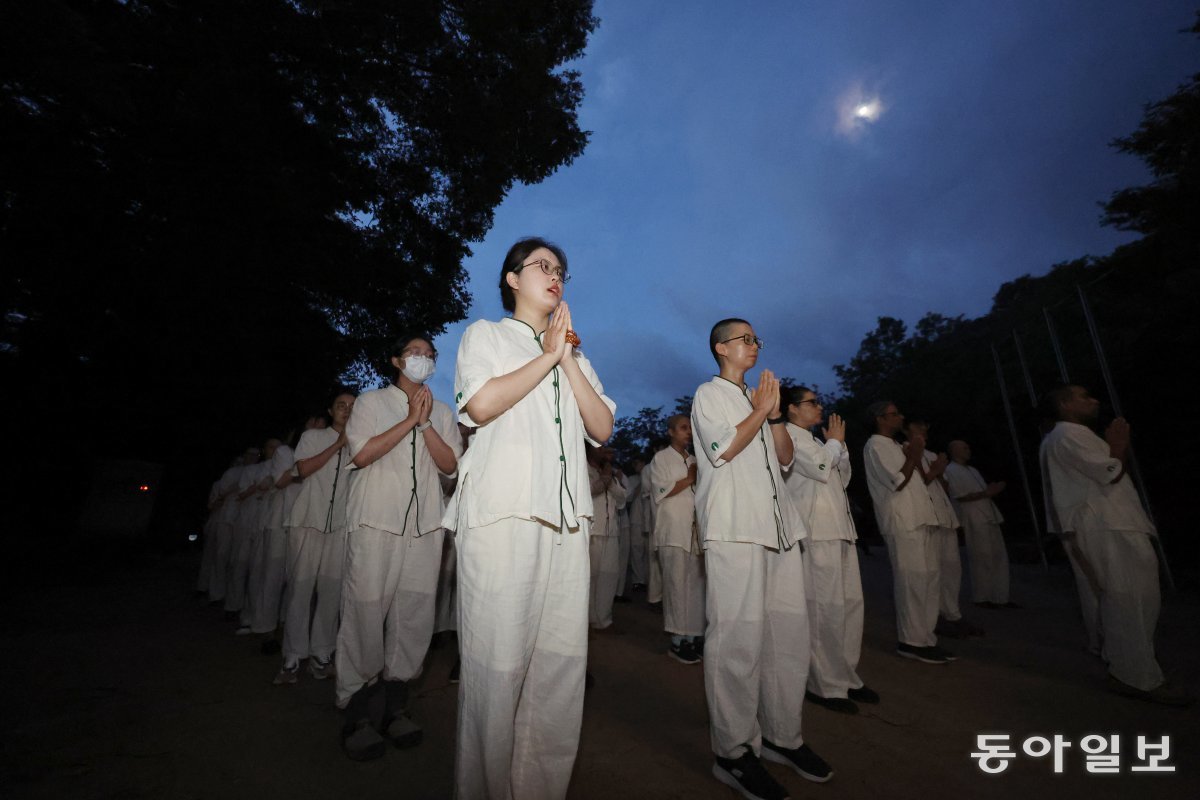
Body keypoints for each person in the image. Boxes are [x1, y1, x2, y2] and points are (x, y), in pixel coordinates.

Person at [443, 237, 615, 799]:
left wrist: (565, 357)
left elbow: (602, 427)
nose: (555, 275)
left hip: (566, 524)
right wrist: (546, 355)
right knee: (496, 674)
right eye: (542, 266)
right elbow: (481, 405)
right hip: (504, 517)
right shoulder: (484, 335)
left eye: (561, 269)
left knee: (558, 678)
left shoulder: (575, 355)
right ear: (512, 279)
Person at [692, 318, 831, 800]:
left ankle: (781, 736)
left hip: (778, 528)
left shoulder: (759, 403)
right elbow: (721, 448)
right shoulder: (708, 394)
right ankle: (732, 752)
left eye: (756, 340)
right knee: (737, 642)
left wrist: (772, 417)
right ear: (720, 348)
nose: (753, 346)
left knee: (789, 637)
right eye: (744, 339)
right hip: (735, 529)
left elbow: (787, 458)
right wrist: (759, 411)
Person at [335, 334, 462, 759]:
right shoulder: (371, 404)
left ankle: (395, 709)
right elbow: (363, 453)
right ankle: (357, 714)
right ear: (395, 360)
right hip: (376, 521)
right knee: (365, 611)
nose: (422, 360)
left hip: (425, 527)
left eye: (429, 355)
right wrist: (409, 419)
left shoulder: (442, 412)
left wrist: (425, 424)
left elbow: (450, 467)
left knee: (414, 615)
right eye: (414, 353)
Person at [1039, 385, 1190, 706]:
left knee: (1132, 597)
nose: (1093, 400)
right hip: (1106, 524)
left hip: (1110, 523)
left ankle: (1124, 664)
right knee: (1130, 597)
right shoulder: (1069, 435)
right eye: (1084, 396)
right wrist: (1118, 446)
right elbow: (1110, 472)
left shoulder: (1069, 435)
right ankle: (1136, 676)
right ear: (1065, 404)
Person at [780, 387, 878, 715]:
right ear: (792, 409)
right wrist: (834, 443)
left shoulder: (817, 441)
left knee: (850, 606)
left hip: (840, 529)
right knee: (825, 610)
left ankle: (846, 675)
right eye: (812, 402)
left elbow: (842, 477)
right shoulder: (788, 437)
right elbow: (822, 469)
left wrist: (838, 446)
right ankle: (823, 684)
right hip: (816, 533)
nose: (819, 407)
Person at [275, 390, 356, 685]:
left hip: (339, 526)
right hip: (307, 521)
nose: (346, 411)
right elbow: (303, 470)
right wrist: (338, 444)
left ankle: (322, 652)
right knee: (300, 588)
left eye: (352, 407)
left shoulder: (361, 445)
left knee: (332, 591)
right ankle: (293, 655)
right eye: (341, 406)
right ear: (330, 410)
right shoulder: (313, 438)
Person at [863, 401, 954, 664]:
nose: (900, 417)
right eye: (894, 414)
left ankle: (927, 638)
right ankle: (911, 641)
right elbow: (897, 482)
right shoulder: (875, 445)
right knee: (912, 582)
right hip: (902, 522)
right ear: (880, 419)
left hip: (920, 518)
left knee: (929, 579)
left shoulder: (894, 445)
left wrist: (919, 460)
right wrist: (914, 455)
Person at [902, 418, 979, 639]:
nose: (924, 432)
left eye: (926, 429)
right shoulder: (906, 451)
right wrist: (935, 470)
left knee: (952, 567)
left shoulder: (932, 454)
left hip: (944, 515)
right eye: (919, 428)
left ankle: (953, 613)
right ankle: (933, 618)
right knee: (932, 570)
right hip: (926, 517)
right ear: (907, 430)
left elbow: (942, 485)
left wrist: (939, 470)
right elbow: (917, 482)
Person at [648, 414, 705, 664]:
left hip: (694, 533)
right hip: (672, 531)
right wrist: (690, 478)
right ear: (671, 431)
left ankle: (693, 636)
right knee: (675, 586)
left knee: (695, 587)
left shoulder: (695, 460)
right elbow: (662, 491)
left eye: (690, 429)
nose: (688, 433)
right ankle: (676, 641)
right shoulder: (660, 459)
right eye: (683, 428)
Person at [944, 440, 1015, 609]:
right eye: (964, 448)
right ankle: (983, 597)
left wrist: (990, 491)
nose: (968, 450)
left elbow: (982, 493)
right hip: (973, 517)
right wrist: (987, 492)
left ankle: (1000, 597)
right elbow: (959, 496)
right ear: (954, 451)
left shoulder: (972, 470)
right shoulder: (951, 470)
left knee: (998, 555)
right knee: (981, 556)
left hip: (988, 514)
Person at [587, 445, 628, 630]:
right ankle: (587, 620)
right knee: (590, 577)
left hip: (611, 532)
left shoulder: (611, 474)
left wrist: (610, 480)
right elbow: (589, 491)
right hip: (592, 531)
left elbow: (622, 500)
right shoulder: (583, 469)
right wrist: (605, 477)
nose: (605, 453)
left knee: (609, 576)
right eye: (601, 449)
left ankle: (604, 620)